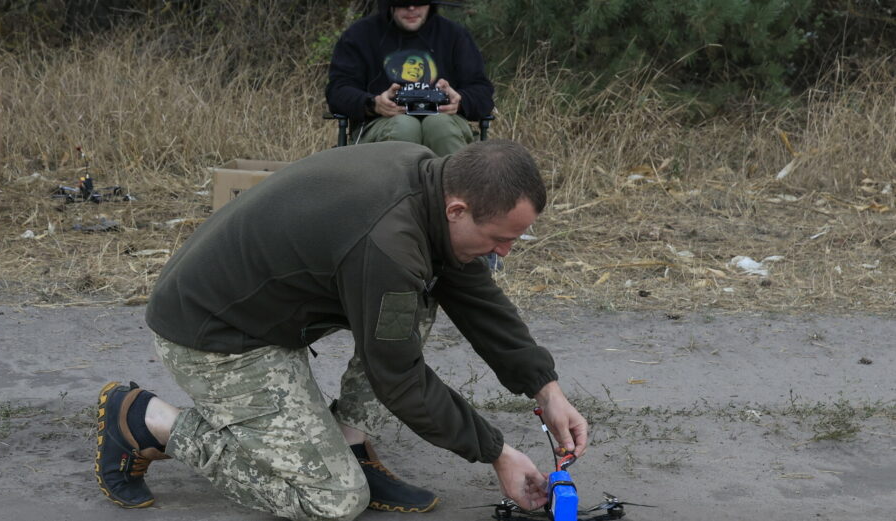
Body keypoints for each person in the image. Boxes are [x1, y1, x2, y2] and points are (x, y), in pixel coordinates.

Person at [94, 139, 588, 520]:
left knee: (422, 297)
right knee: (332, 499)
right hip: (217, 337)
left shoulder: (430, 178)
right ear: (457, 209)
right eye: (500, 239)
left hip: (259, 309)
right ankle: (146, 420)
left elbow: (475, 294)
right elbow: (397, 377)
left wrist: (545, 388)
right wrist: (497, 452)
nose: (505, 253)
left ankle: (349, 446)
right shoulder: (390, 246)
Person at [325, 0, 494, 157]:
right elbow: (338, 91)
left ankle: (456, 187)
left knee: (439, 126)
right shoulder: (359, 36)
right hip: (380, 123)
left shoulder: (454, 35)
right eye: (403, 2)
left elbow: (483, 93)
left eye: (419, 1)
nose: (412, 8)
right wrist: (373, 104)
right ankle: (397, 190)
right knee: (404, 127)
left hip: (447, 122)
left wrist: (460, 102)